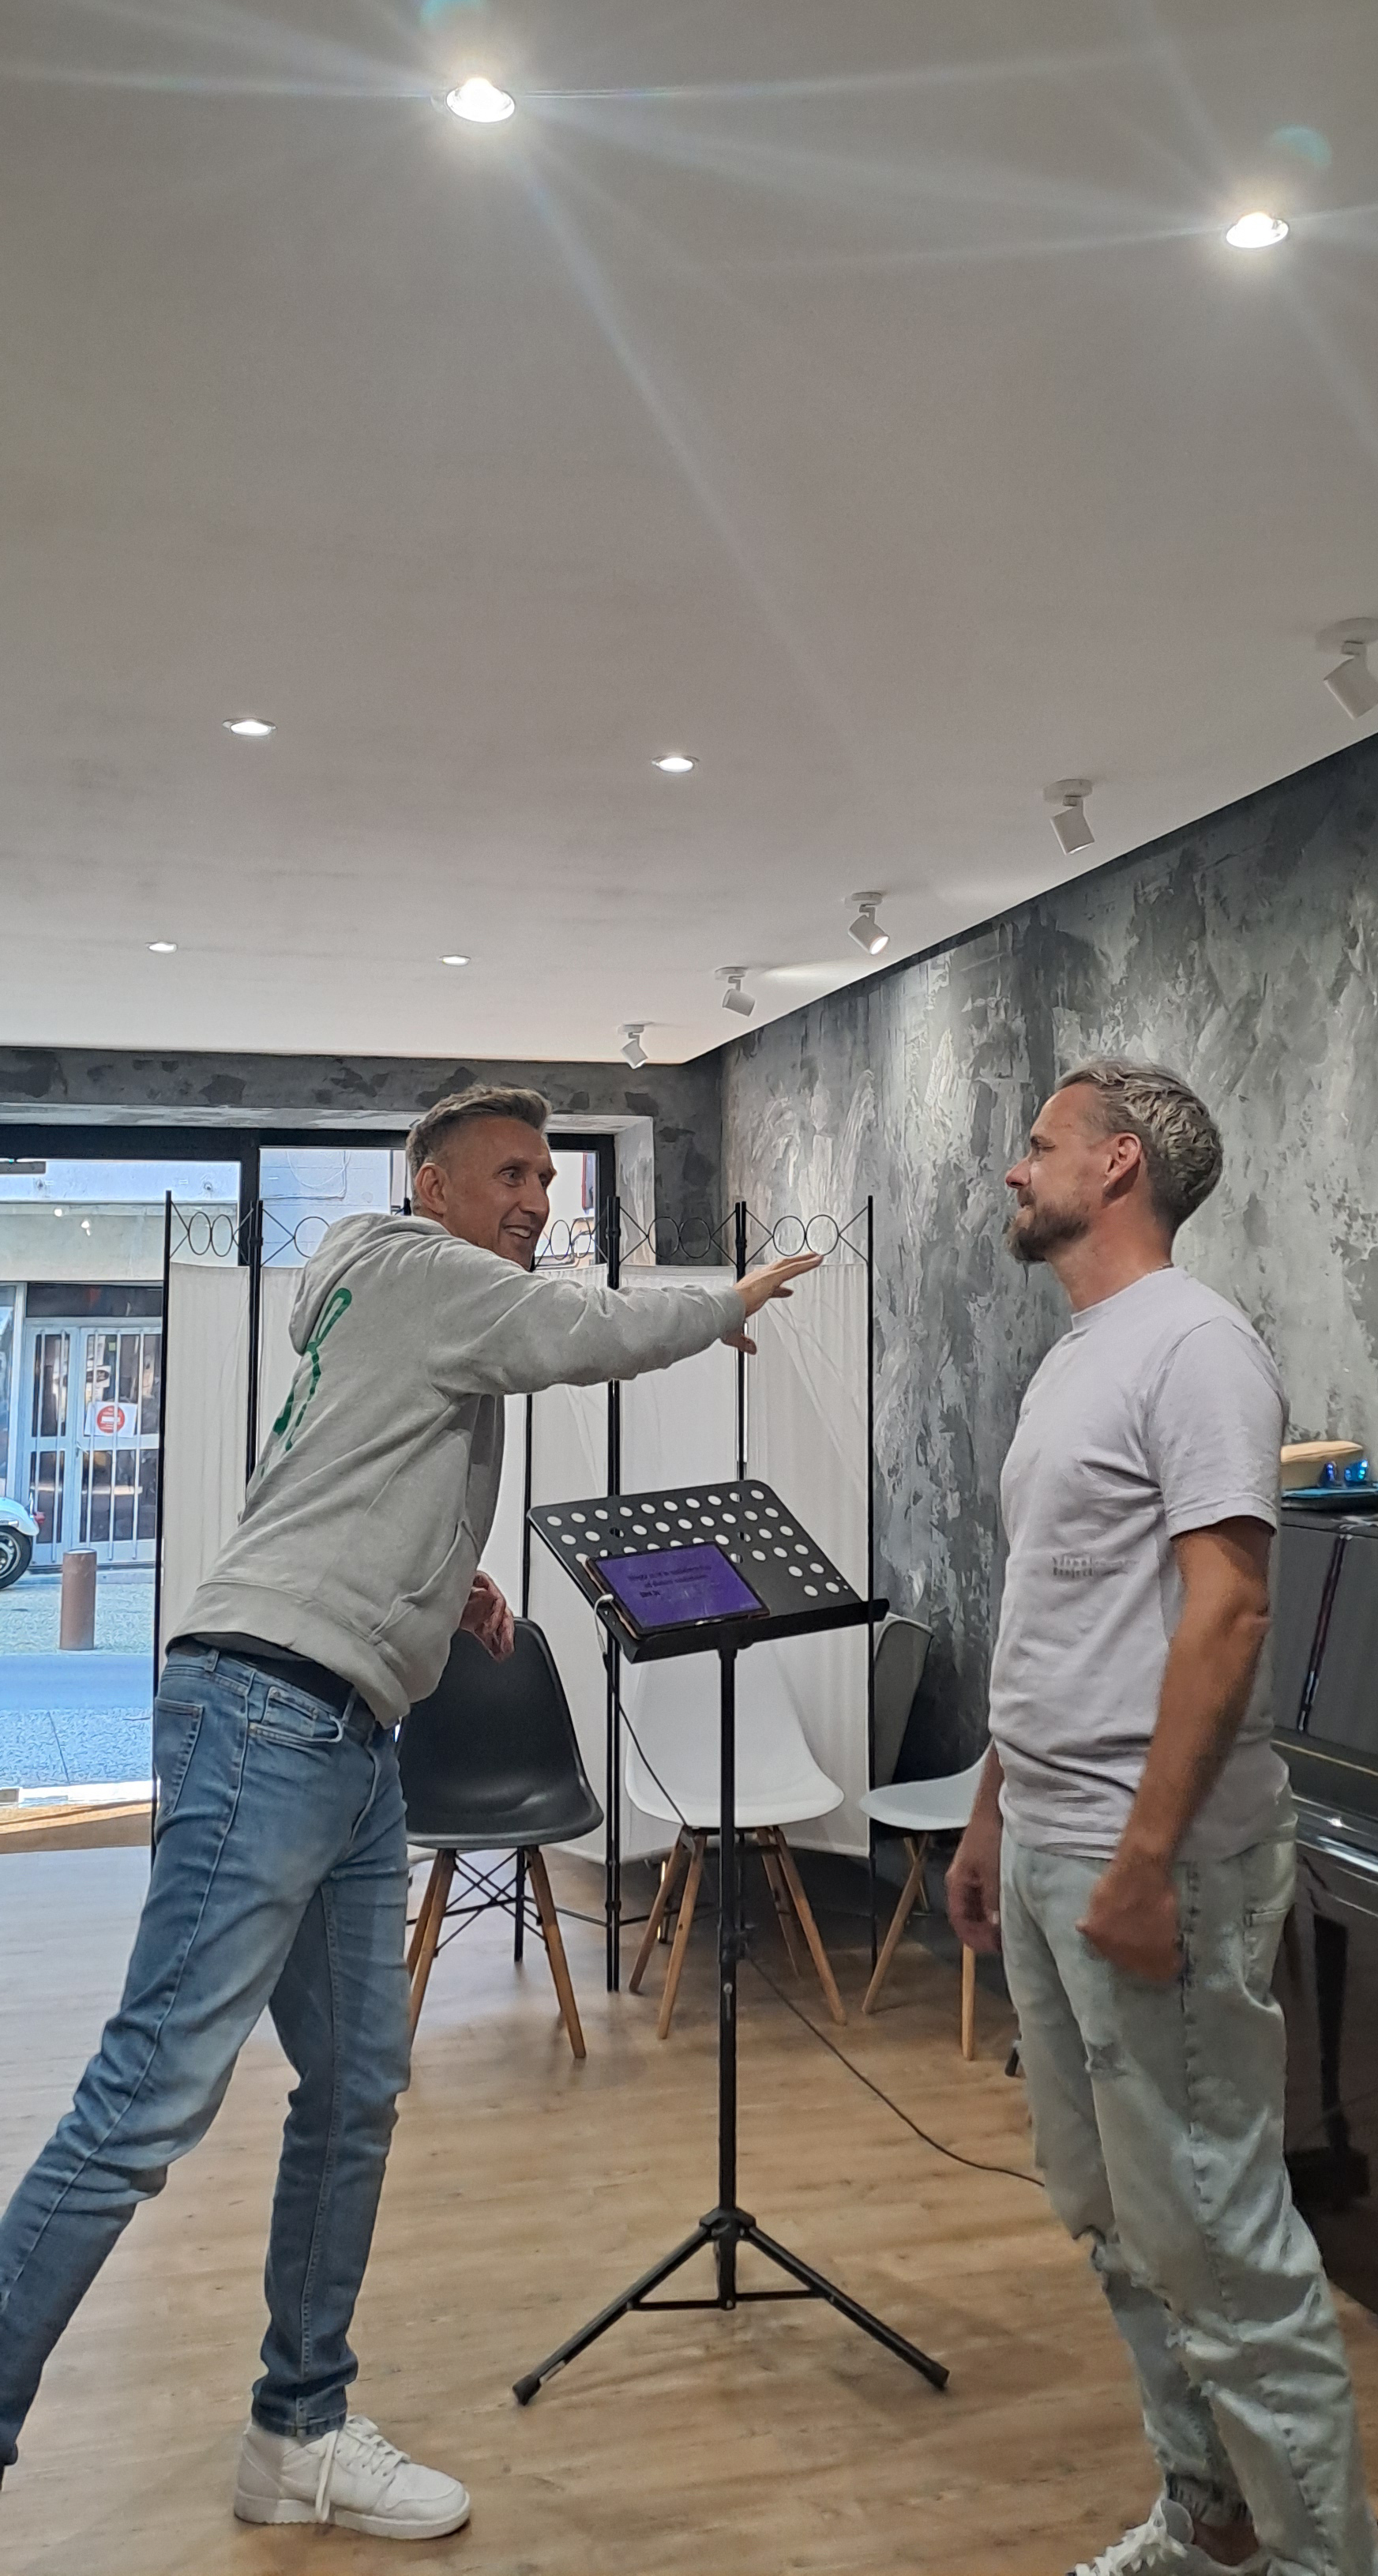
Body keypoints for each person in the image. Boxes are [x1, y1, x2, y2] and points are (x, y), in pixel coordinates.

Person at [0, 1085, 818, 2539]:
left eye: (547, 1180)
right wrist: (721, 1305)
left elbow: (325, 1480)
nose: (536, 1202)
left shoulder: (380, 1295)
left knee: (358, 2086)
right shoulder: (420, 1268)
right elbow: (581, 1334)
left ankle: (299, 2431)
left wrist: (442, 1588)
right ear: (428, 1183)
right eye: (508, 1174)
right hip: (269, 1716)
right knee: (149, 2099)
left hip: (347, 1730)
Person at [947, 1059, 1378, 2576]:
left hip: (1161, 1862)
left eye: (1042, 1144)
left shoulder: (1198, 1348)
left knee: (1219, 2241)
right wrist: (994, 1811)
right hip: (1053, 1839)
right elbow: (1056, 1615)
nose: (1018, 1170)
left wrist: (1141, 1864)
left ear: (1119, 1164)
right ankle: (1211, 2517)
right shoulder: (1078, 1355)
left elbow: (1231, 1610)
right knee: (1115, 2216)